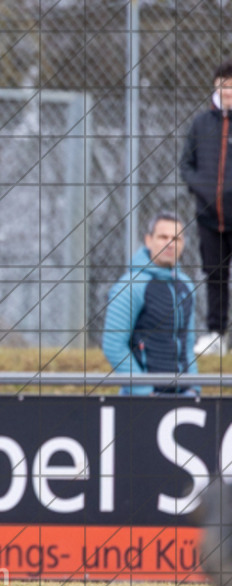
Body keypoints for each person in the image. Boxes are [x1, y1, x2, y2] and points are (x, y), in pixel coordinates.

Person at [102, 212, 198, 395]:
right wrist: (144, 392)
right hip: (141, 406)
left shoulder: (186, 286)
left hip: (184, 401)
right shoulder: (131, 286)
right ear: (148, 240)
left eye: (176, 238)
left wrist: (194, 389)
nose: (170, 244)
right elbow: (113, 345)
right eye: (163, 237)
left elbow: (187, 345)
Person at [180, 59, 232, 356]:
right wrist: (202, 191)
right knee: (215, 276)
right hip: (209, 219)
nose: (228, 91)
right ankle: (216, 334)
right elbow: (186, 165)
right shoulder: (201, 123)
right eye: (224, 84)